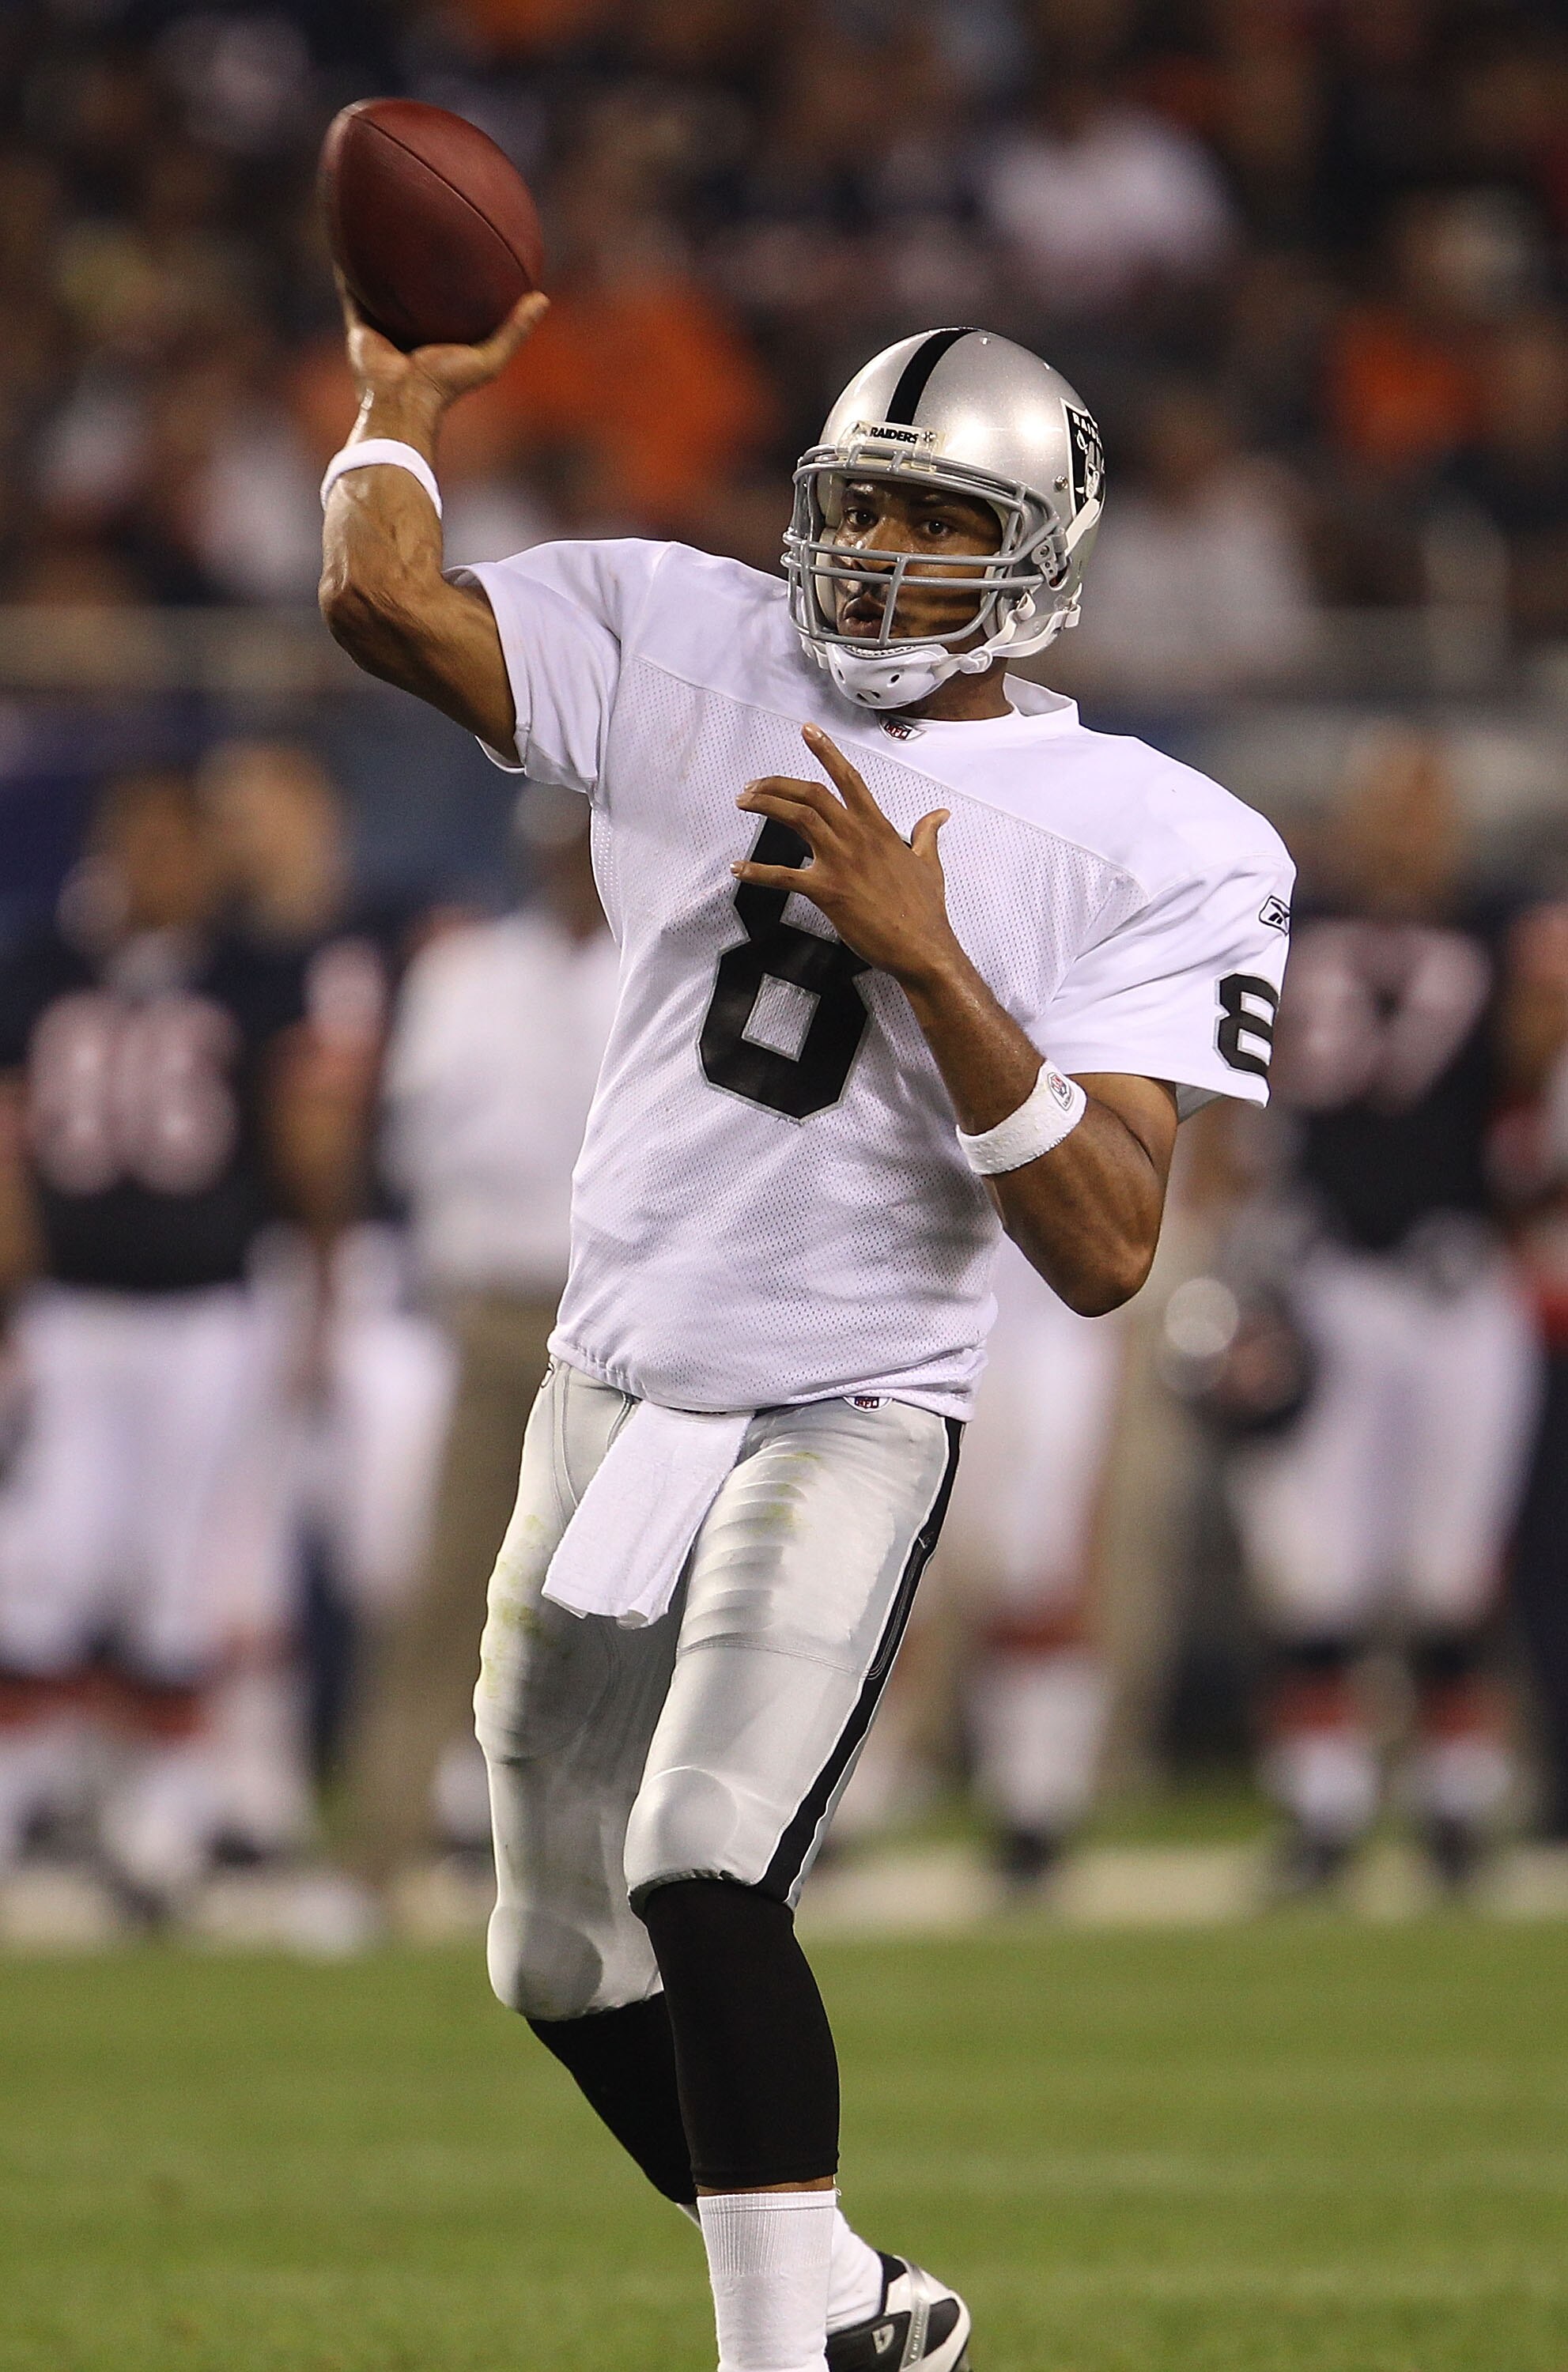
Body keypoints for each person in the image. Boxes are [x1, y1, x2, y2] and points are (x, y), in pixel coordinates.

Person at [318, 289, 1293, 2372]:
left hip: (849, 1402)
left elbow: (1110, 1247)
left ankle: (784, 2357)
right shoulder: (691, 640)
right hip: (610, 1383)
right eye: (854, 503)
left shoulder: (1166, 836)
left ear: (1037, 553)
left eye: (934, 522)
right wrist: (398, 399)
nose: (875, 555)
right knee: (556, 1953)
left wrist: (939, 962)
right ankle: (846, 2297)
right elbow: (386, 606)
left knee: (701, 1854)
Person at [0, 769, 346, 1917]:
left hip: (206, 1306)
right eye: (137, 842)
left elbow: (302, 1146)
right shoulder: (42, 966)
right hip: (71, 1305)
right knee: (46, 1558)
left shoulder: (256, 971)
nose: (158, 866)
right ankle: (31, 1794)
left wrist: (322, 1277)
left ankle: (169, 1812)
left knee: (181, 1567)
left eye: (176, 844)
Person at [1225, 731, 1543, 1894]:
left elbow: (1530, 1095)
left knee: (1452, 1566)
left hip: (1459, 1277)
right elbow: (1230, 1098)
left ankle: (1459, 1810)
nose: (1406, 827)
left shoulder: (1508, 928)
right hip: (1320, 1274)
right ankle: (1323, 1806)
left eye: (1424, 803)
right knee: (1312, 1560)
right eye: (1386, 804)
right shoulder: (1286, 922)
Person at [340, 784, 618, 1898]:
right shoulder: (463, 974)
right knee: (451, 1583)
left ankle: (653, 1859)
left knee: (636, 1593)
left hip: (621, 1318)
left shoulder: (667, 968)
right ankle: (383, 1844)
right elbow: (412, 1145)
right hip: (498, 1303)